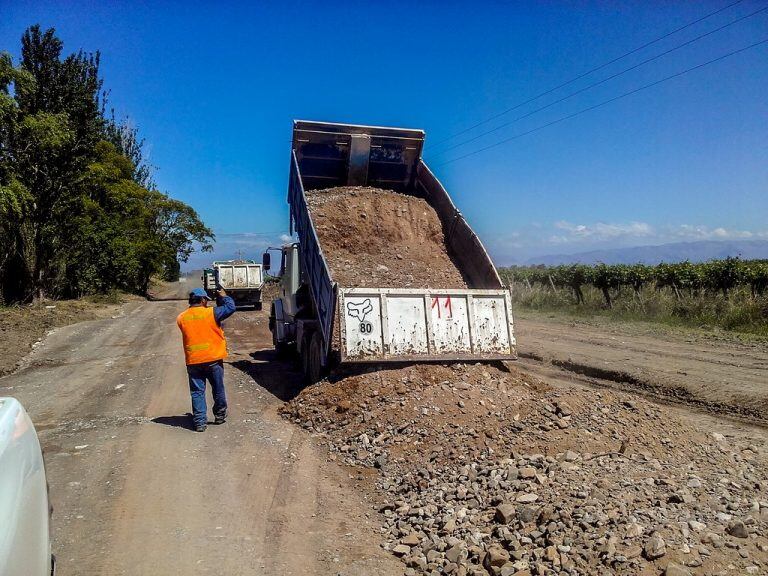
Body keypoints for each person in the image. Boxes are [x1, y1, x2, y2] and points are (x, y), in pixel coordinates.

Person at [176, 287, 236, 432]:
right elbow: (230, 307)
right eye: (206, 300)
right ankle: (220, 415)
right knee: (218, 388)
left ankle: (200, 423)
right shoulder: (211, 313)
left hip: (193, 361)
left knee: (197, 392)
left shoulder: (181, 317)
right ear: (203, 300)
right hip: (213, 359)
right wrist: (223, 296)